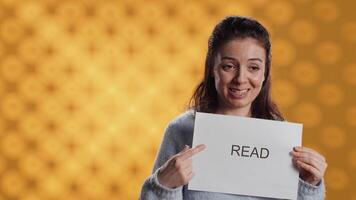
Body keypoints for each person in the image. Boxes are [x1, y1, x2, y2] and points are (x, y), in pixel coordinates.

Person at [140, 16, 327, 200]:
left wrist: (308, 186)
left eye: (253, 67)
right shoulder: (180, 130)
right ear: (212, 68)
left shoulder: (281, 139)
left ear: (265, 74)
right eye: (229, 66)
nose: (241, 79)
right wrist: (163, 186)